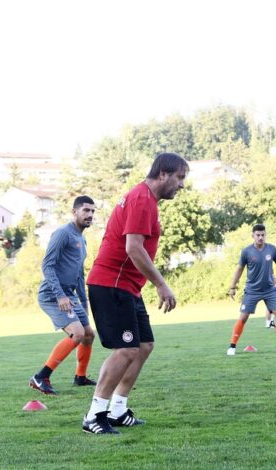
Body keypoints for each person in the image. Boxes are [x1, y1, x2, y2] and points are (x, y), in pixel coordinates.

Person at [81, 152, 188, 434]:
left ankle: (117, 409)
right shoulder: (142, 199)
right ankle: (94, 415)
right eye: (180, 178)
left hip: (127, 286)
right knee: (127, 348)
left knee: (143, 345)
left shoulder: (146, 199)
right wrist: (161, 284)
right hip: (112, 284)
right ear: (163, 174)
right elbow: (133, 248)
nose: (181, 185)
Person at [29, 196, 97, 395]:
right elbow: (47, 266)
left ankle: (80, 377)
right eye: (86, 210)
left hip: (70, 296)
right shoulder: (62, 234)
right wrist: (60, 296)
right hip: (52, 295)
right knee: (77, 334)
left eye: (93, 211)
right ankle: (40, 377)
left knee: (89, 335)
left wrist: (84, 302)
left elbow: (79, 274)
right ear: (74, 212)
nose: (90, 215)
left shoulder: (82, 239)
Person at [227, 224, 276, 354]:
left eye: (263, 235)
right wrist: (232, 287)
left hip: (269, 290)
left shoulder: (272, 249)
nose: (260, 237)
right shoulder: (246, 251)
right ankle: (232, 347)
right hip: (252, 290)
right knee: (243, 317)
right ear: (253, 236)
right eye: (258, 235)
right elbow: (239, 269)